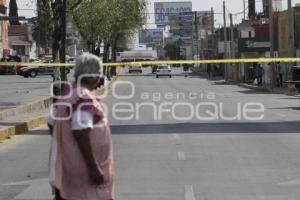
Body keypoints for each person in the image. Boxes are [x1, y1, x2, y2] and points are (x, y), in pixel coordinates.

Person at [48, 53, 114, 200]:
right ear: (95, 76)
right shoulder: (83, 96)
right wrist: (93, 168)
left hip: (68, 165)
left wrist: (64, 143)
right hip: (83, 170)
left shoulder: (67, 91)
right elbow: (80, 131)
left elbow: (51, 121)